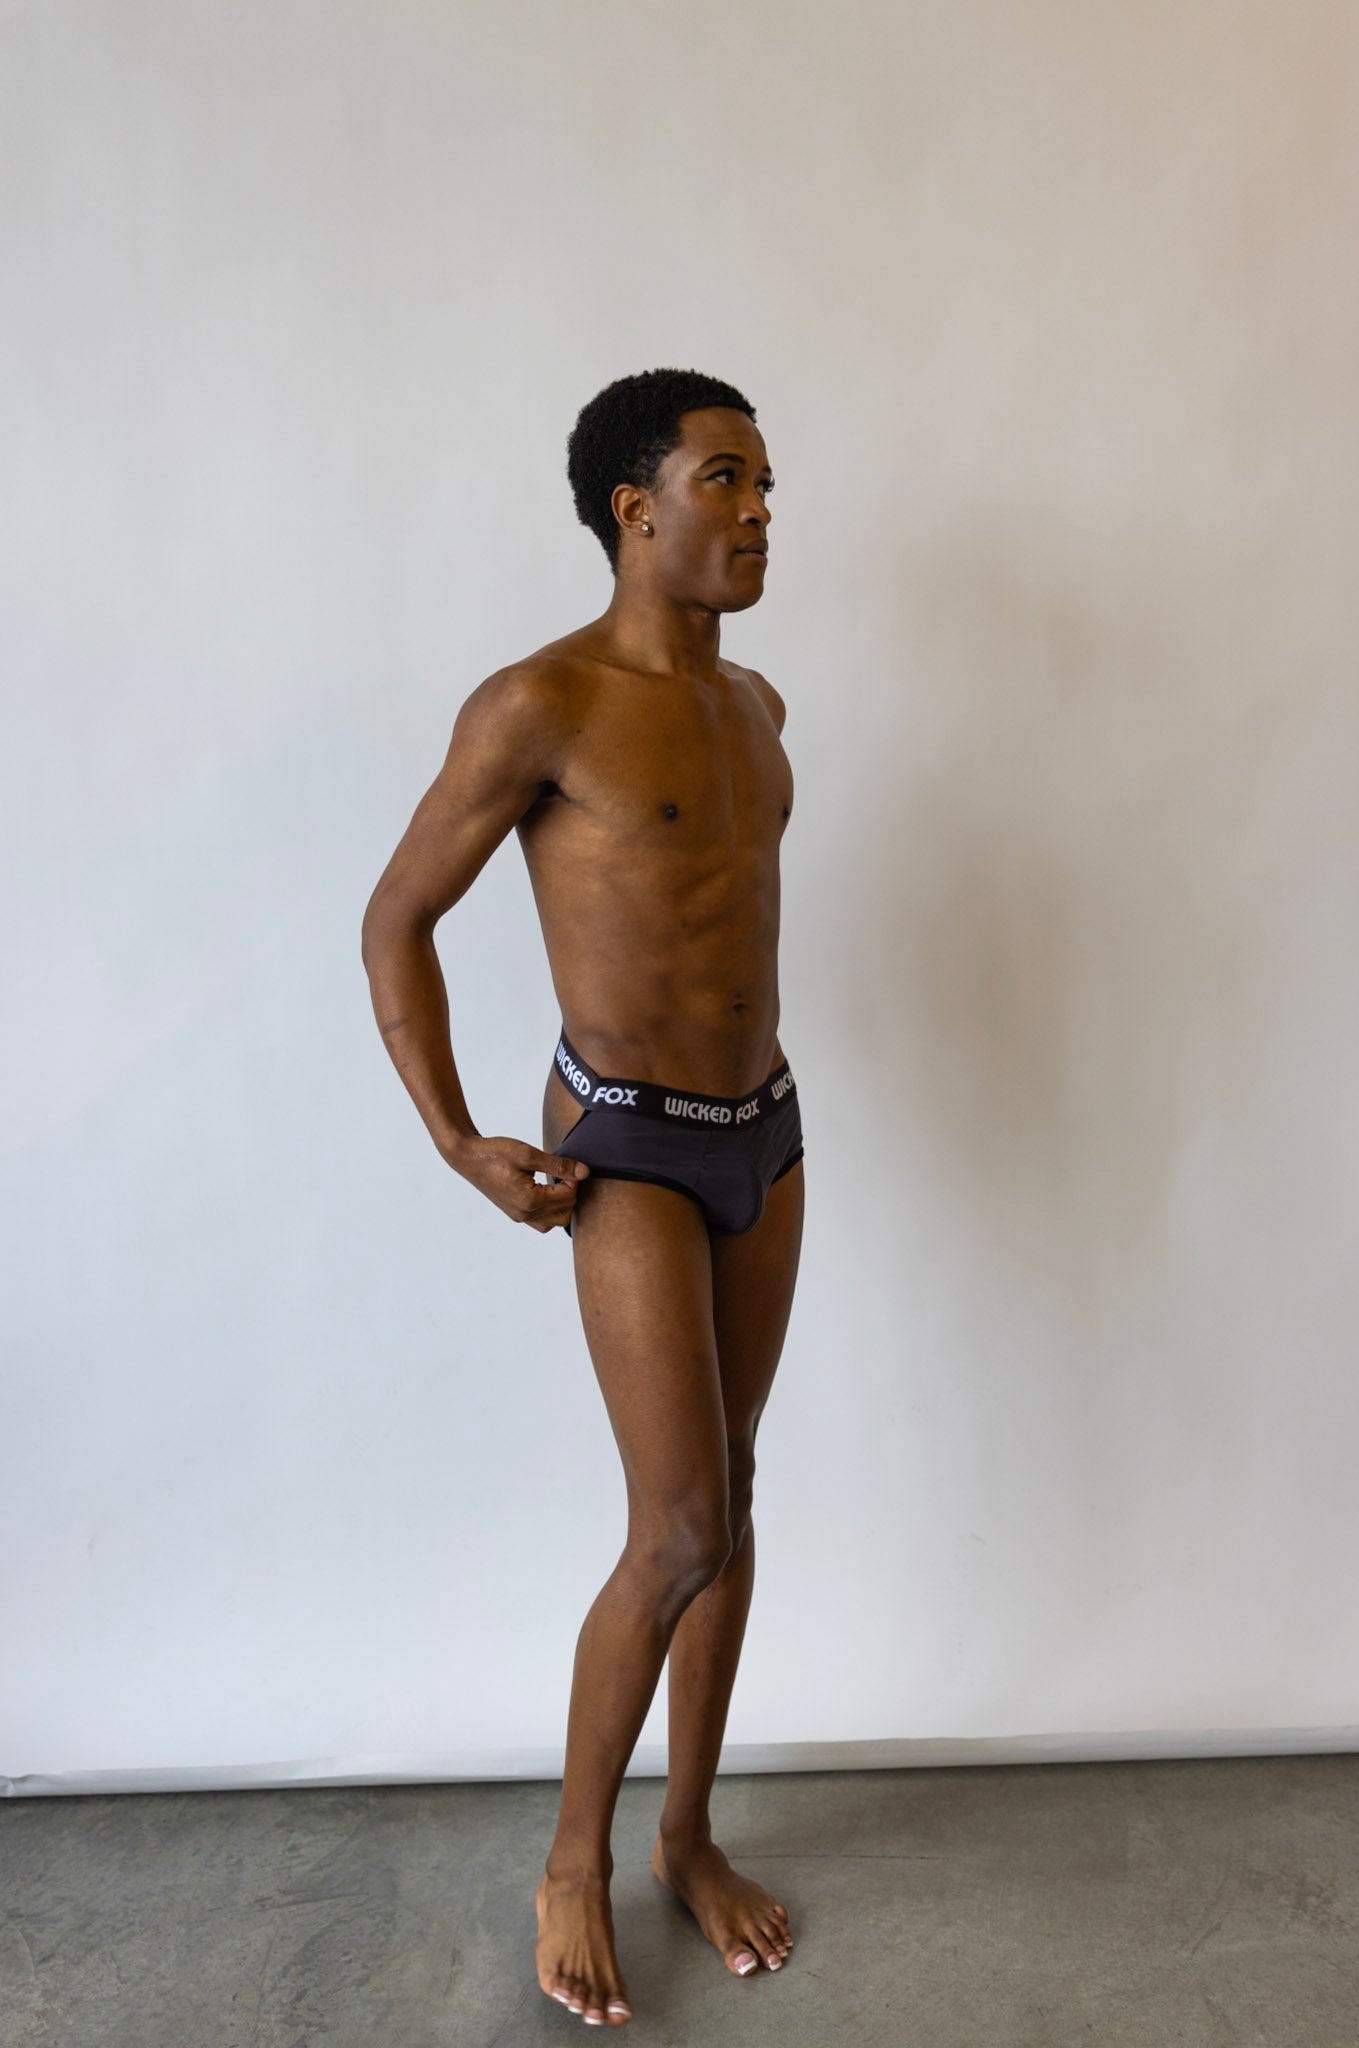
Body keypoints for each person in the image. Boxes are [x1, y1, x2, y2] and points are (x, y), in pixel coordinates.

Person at [361, 367, 802, 2028]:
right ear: (634, 507)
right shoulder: (537, 704)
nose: (758, 512)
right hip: (623, 1143)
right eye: (724, 479)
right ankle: (572, 1862)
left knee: (729, 1501)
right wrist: (455, 1136)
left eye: (767, 485)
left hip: (764, 1130)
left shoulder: (757, 707)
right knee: (675, 1526)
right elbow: (396, 917)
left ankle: (687, 1838)